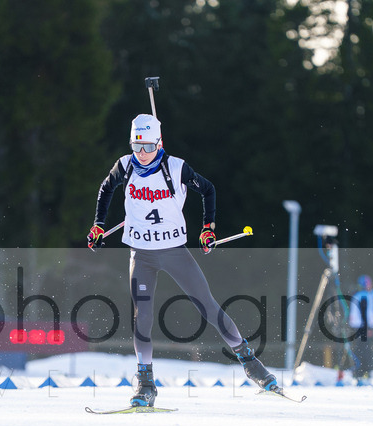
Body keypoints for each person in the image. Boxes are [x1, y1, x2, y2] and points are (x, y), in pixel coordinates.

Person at [87, 113, 278, 406]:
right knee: (143, 317)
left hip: (174, 252)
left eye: (148, 147)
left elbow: (209, 190)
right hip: (141, 254)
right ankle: (145, 383)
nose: (142, 154)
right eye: (136, 147)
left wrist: (208, 228)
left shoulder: (176, 168)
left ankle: (250, 363)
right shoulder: (125, 166)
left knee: (207, 305)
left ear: (159, 143)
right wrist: (98, 224)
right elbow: (105, 189)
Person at [348, 275, 373, 378]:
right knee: (365, 350)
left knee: (359, 349)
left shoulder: (358, 295)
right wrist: (368, 328)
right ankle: (363, 372)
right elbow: (365, 313)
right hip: (363, 328)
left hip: (357, 327)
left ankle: (358, 372)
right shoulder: (365, 296)